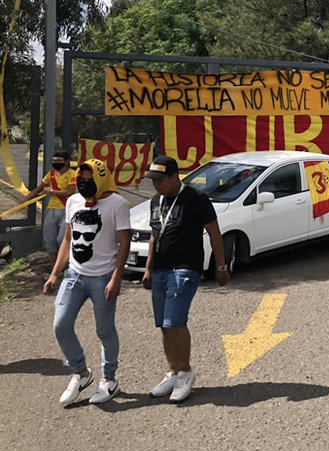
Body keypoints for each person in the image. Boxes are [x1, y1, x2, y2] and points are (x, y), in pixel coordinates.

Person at [42, 159, 130, 406]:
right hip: (75, 275)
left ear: (101, 179)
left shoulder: (117, 204)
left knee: (104, 330)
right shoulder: (72, 201)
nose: (84, 184)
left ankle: (109, 379)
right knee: (61, 325)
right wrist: (55, 273)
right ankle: (81, 373)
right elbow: (68, 240)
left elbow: (124, 242)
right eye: (81, 180)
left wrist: (116, 277)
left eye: (90, 180)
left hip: (103, 278)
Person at [142, 155, 229, 403]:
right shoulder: (155, 201)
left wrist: (221, 266)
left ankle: (186, 372)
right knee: (164, 324)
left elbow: (214, 232)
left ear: (174, 176)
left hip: (185, 269)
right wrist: (148, 269)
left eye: (160, 180)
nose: (156, 185)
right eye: (153, 180)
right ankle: (173, 371)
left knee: (175, 321)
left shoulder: (195, 199)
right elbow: (153, 236)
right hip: (160, 269)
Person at [26, 149, 77, 268]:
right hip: (52, 209)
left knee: (62, 240)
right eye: (54, 161)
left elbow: (70, 192)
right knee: (50, 241)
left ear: (66, 161)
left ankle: (67, 266)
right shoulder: (51, 174)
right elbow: (39, 188)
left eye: (59, 161)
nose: (56, 163)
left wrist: (52, 191)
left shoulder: (72, 175)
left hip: (66, 210)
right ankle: (54, 268)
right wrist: (26, 198)